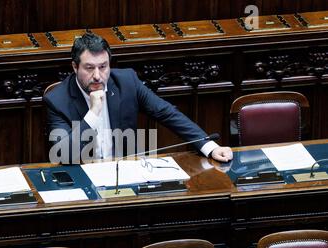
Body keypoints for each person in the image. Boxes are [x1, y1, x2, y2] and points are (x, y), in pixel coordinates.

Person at [44, 32, 233, 164]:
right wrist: (93, 113)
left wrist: (209, 146)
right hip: (82, 178)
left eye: (103, 67)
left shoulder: (127, 82)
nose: (97, 76)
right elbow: (63, 155)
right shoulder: (57, 100)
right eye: (89, 68)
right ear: (75, 67)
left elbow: (167, 113)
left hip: (126, 175)